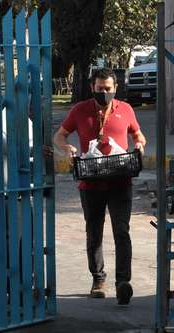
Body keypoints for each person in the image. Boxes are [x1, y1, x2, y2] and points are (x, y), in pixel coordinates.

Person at [53, 67, 146, 305]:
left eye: (108, 89)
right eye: (99, 88)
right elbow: (59, 136)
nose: (103, 92)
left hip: (120, 180)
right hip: (90, 182)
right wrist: (68, 149)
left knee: (121, 232)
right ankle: (98, 279)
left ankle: (123, 282)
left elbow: (138, 135)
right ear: (92, 88)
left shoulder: (125, 109)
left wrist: (139, 145)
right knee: (94, 233)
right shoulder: (80, 110)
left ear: (115, 88)